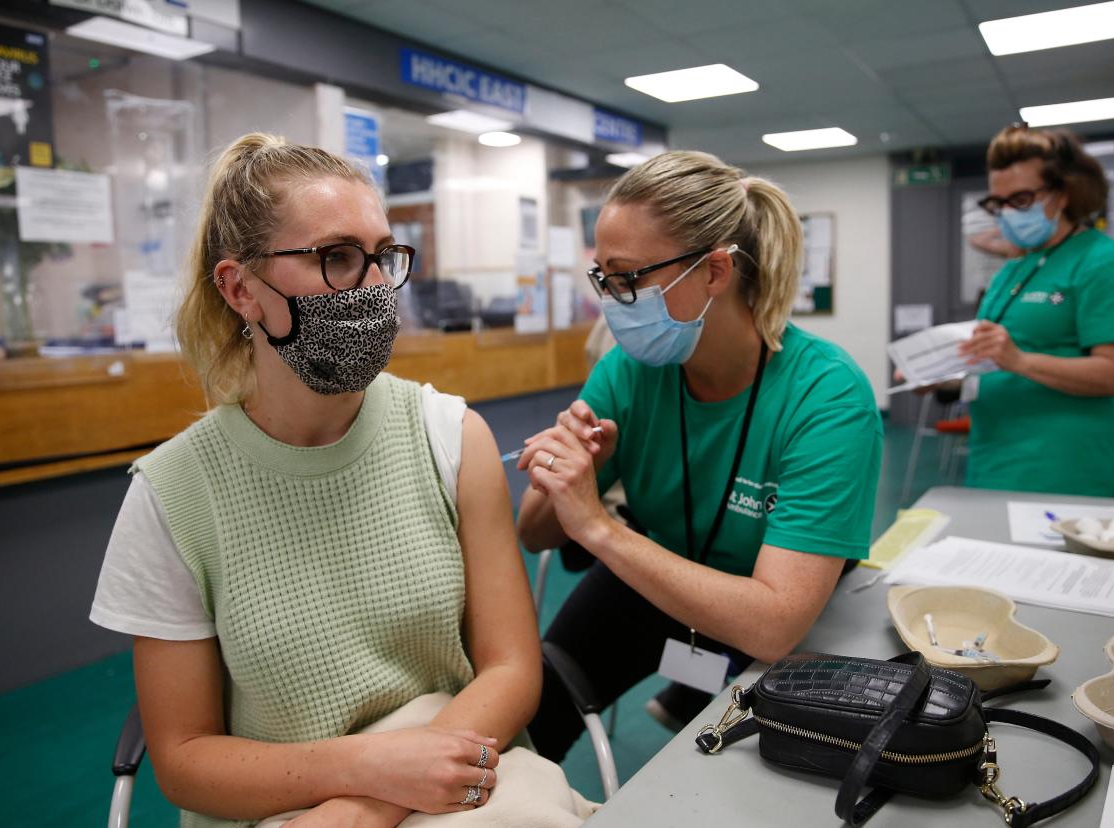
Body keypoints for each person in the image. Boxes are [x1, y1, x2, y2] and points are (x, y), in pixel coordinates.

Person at [89, 134, 549, 828]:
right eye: (336, 257)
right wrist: (365, 771)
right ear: (241, 289)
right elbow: (183, 758)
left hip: (455, 781)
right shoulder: (171, 494)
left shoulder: (452, 437)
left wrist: (368, 807)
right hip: (281, 808)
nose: (371, 287)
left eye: (382, 257)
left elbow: (512, 668)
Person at [514, 151, 882, 759]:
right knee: (536, 713)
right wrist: (571, 474)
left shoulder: (828, 396)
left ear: (714, 272)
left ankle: (689, 697)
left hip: (765, 604)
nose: (613, 301)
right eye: (603, 277)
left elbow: (774, 624)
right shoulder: (628, 371)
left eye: (630, 276)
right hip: (658, 570)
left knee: (742, 775)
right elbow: (534, 535)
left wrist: (600, 528)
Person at [958, 124, 1114, 496]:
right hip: (992, 460)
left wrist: (1021, 361)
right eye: (998, 203)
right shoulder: (1016, 268)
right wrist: (943, 375)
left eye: (1021, 200)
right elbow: (995, 359)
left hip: (1059, 468)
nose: (1007, 214)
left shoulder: (1107, 263)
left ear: (1063, 193)